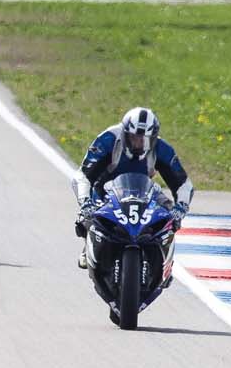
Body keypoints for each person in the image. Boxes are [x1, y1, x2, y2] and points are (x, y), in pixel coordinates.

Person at [72, 107, 193, 268]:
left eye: (144, 139)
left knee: (169, 216)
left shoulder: (161, 148)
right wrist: (85, 202)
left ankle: (163, 260)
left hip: (145, 191)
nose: (138, 143)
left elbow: (184, 184)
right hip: (106, 191)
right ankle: (89, 245)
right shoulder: (108, 139)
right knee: (88, 216)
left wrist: (180, 208)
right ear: (124, 133)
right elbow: (82, 176)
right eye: (133, 137)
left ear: (153, 138)